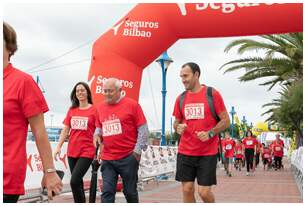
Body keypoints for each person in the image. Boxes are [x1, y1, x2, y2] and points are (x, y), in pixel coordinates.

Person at [3, 22, 62, 203]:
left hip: (5, 176)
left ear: (8, 45)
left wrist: (50, 172)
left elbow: (39, 132)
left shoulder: (23, 82)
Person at [172, 62, 230, 203]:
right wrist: (177, 127)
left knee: (204, 192)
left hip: (207, 153)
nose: (183, 80)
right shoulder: (181, 98)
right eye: (181, 77)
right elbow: (176, 122)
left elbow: (226, 121)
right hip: (185, 151)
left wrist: (210, 133)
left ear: (196, 74)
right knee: (187, 189)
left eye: (186, 76)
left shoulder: (212, 94)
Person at [93, 78, 149, 203]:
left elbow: (143, 129)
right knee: (107, 192)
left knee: (130, 192)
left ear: (120, 91)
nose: (107, 94)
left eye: (110, 91)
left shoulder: (132, 105)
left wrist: (137, 151)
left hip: (128, 157)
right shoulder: (100, 107)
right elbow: (99, 126)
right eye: (105, 91)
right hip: (108, 158)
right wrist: (97, 134)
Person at [53, 82, 98, 202]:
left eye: (82, 90)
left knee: (74, 181)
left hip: (87, 150)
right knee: (78, 183)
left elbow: (99, 130)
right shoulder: (72, 110)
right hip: (72, 150)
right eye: (77, 91)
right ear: (75, 94)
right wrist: (58, 146)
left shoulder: (94, 110)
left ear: (87, 92)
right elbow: (66, 129)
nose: (80, 93)